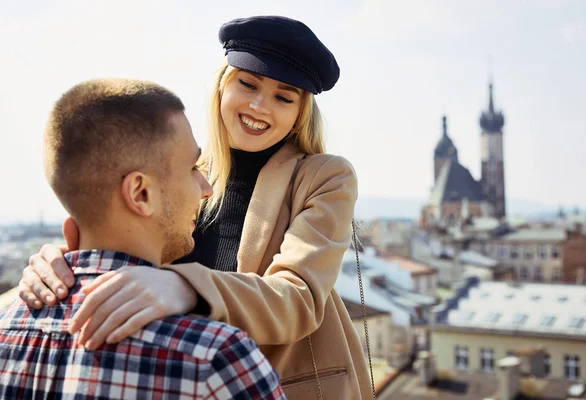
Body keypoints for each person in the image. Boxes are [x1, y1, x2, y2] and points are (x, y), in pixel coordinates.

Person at [19, 16, 372, 399]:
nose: (259, 106)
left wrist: (185, 285)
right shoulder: (184, 175)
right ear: (222, 86)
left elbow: (298, 299)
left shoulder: (325, 175)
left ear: (299, 114)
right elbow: (119, 236)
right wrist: (58, 263)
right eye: (248, 84)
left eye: (283, 97)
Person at [1, 79, 285, 400]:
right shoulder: (215, 360)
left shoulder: (6, 330)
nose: (206, 189)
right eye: (192, 167)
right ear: (141, 193)